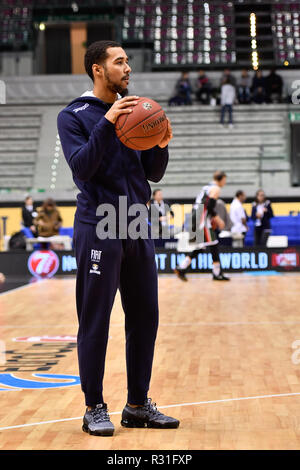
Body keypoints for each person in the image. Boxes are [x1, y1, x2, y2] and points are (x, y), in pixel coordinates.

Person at [57, 40, 179, 437]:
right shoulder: (73, 115)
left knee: (145, 317)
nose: (127, 68)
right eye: (119, 62)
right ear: (98, 69)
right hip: (98, 223)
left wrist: (161, 144)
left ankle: (138, 405)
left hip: (136, 223)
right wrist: (108, 122)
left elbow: (153, 173)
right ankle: (94, 406)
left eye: (127, 62)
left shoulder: (136, 110)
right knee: (96, 318)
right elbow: (83, 167)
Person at [174, 171, 230, 281]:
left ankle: (182, 267)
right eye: (225, 179)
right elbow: (209, 207)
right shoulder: (216, 189)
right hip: (201, 218)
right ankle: (216, 273)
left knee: (202, 246)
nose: (225, 182)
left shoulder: (206, 187)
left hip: (196, 216)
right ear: (222, 179)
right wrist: (218, 219)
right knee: (213, 244)